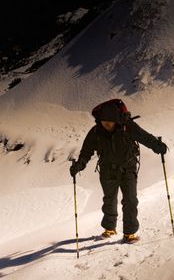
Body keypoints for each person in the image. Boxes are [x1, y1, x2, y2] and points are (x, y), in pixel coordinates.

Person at [69, 99, 168, 243]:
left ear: (116, 120)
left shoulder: (128, 127)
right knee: (109, 200)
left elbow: (144, 137)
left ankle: (129, 233)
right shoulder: (96, 131)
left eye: (109, 122)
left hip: (128, 169)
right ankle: (110, 228)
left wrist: (157, 146)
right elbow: (86, 152)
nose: (106, 124)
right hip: (107, 170)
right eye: (103, 121)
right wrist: (79, 165)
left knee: (130, 200)